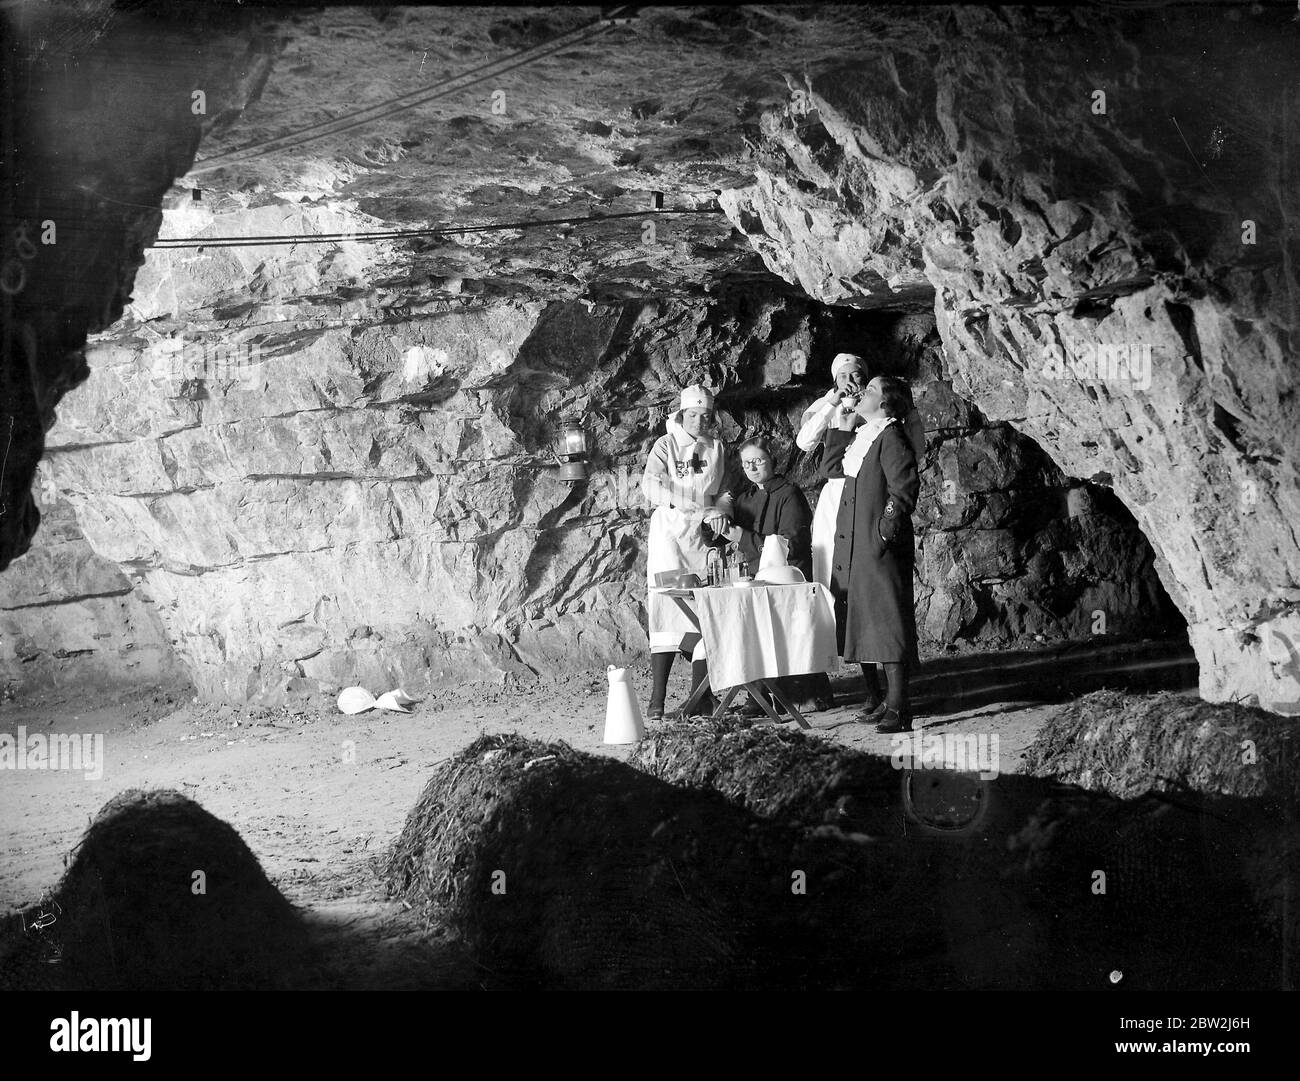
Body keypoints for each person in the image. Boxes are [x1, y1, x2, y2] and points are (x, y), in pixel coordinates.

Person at [798, 352, 925, 706]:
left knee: (881, 609)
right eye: (847, 376)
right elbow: (823, 457)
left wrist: (884, 529)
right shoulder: (855, 422)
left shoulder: (889, 432)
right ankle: (875, 694)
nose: (854, 384)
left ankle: (896, 701)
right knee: (851, 605)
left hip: (869, 523)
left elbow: (904, 482)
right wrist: (836, 410)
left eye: (862, 378)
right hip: (842, 521)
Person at [717, 437, 830, 716]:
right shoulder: (748, 497)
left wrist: (744, 537)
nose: (752, 467)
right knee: (752, 632)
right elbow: (714, 537)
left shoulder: (789, 494)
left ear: (772, 460)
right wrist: (715, 516)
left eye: (758, 461)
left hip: (788, 580)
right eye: (746, 463)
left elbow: (793, 542)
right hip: (758, 580)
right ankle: (761, 693)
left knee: (784, 636)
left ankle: (794, 694)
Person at [641, 384, 731, 720]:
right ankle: (658, 697)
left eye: (704, 416)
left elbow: (725, 490)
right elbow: (650, 484)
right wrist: (678, 500)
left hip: (700, 533)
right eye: (692, 415)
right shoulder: (666, 445)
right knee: (667, 604)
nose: (698, 421)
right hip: (670, 531)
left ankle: (700, 696)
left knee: (702, 606)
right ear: (682, 414)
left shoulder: (717, 449)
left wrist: (722, 510)